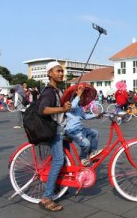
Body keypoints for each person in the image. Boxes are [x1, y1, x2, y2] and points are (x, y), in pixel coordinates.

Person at [38, 61, 71, 211]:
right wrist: (62, 108)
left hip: (61, 128)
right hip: (55, 130)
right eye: (57, 71)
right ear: (49, 73)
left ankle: (58, 186)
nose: (61, 73)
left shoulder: (58, 90)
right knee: (58, 160)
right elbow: (43, 110)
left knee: (65, 159)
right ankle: (47, 197)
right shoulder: (49, 91)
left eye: (62, 71)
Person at [65, 85, 103, 166]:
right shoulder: (69, 105)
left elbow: (85, 116)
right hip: (73, 131)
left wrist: (96, 115)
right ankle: (82, 158)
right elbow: (73, 106)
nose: (82, 98)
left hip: (80, 129)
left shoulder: (79, 107)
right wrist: (79, 94)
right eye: (82, 96)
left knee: (95, 132)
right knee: (86, 144)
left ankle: (92, 152)